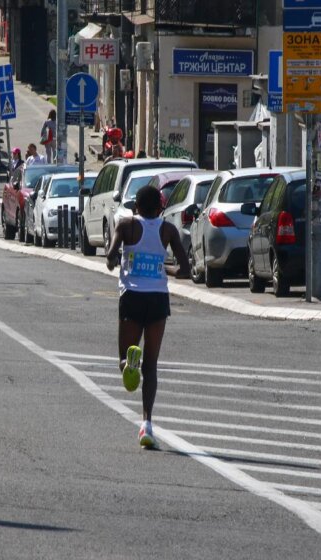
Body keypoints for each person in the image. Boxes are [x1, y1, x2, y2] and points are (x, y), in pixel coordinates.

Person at [105, 186, 191, 449]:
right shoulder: (167, 230)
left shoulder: (126, 225)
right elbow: (185, 269)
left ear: (137, 207)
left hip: (131, 295)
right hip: (157, 298)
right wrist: (162, 267)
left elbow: (109, 258)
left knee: (123, 355)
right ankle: (147, 424)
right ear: (159, 208)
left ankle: (128, 365)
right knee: (151, 365)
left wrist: (120, 260)